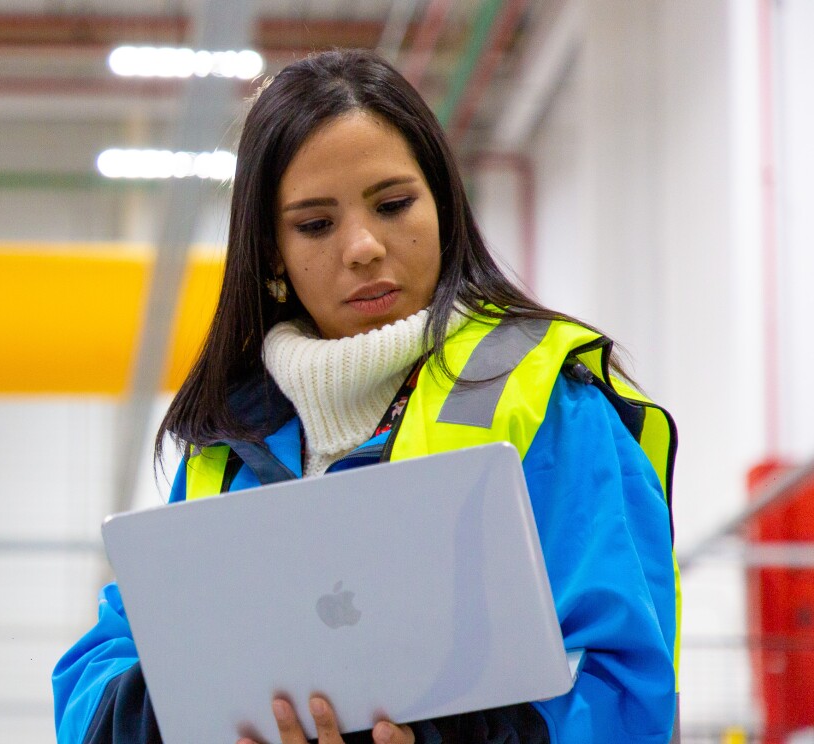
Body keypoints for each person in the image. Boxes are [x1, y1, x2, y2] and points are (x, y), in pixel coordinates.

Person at [53, 48, 679, 744]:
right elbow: (95, 676)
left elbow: (625, 695)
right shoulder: (229, 447)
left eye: (392, 204)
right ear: (270, 252)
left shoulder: (550, 405)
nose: (362, 246)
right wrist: (187, 713)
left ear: (443, 205)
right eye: (315, 224)